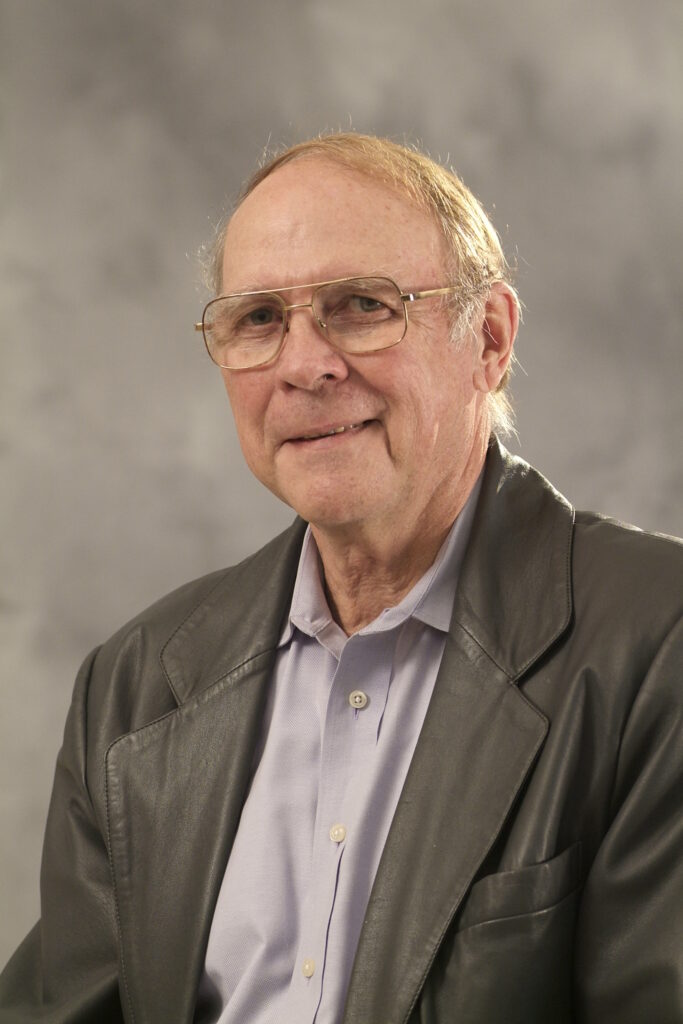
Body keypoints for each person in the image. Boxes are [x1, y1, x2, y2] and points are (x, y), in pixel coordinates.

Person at [1, 132, 681, 1024]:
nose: (303, 364)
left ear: (489, 339)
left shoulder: (657, 640)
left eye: (361, 305)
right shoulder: (132, 690)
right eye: (257, 320)